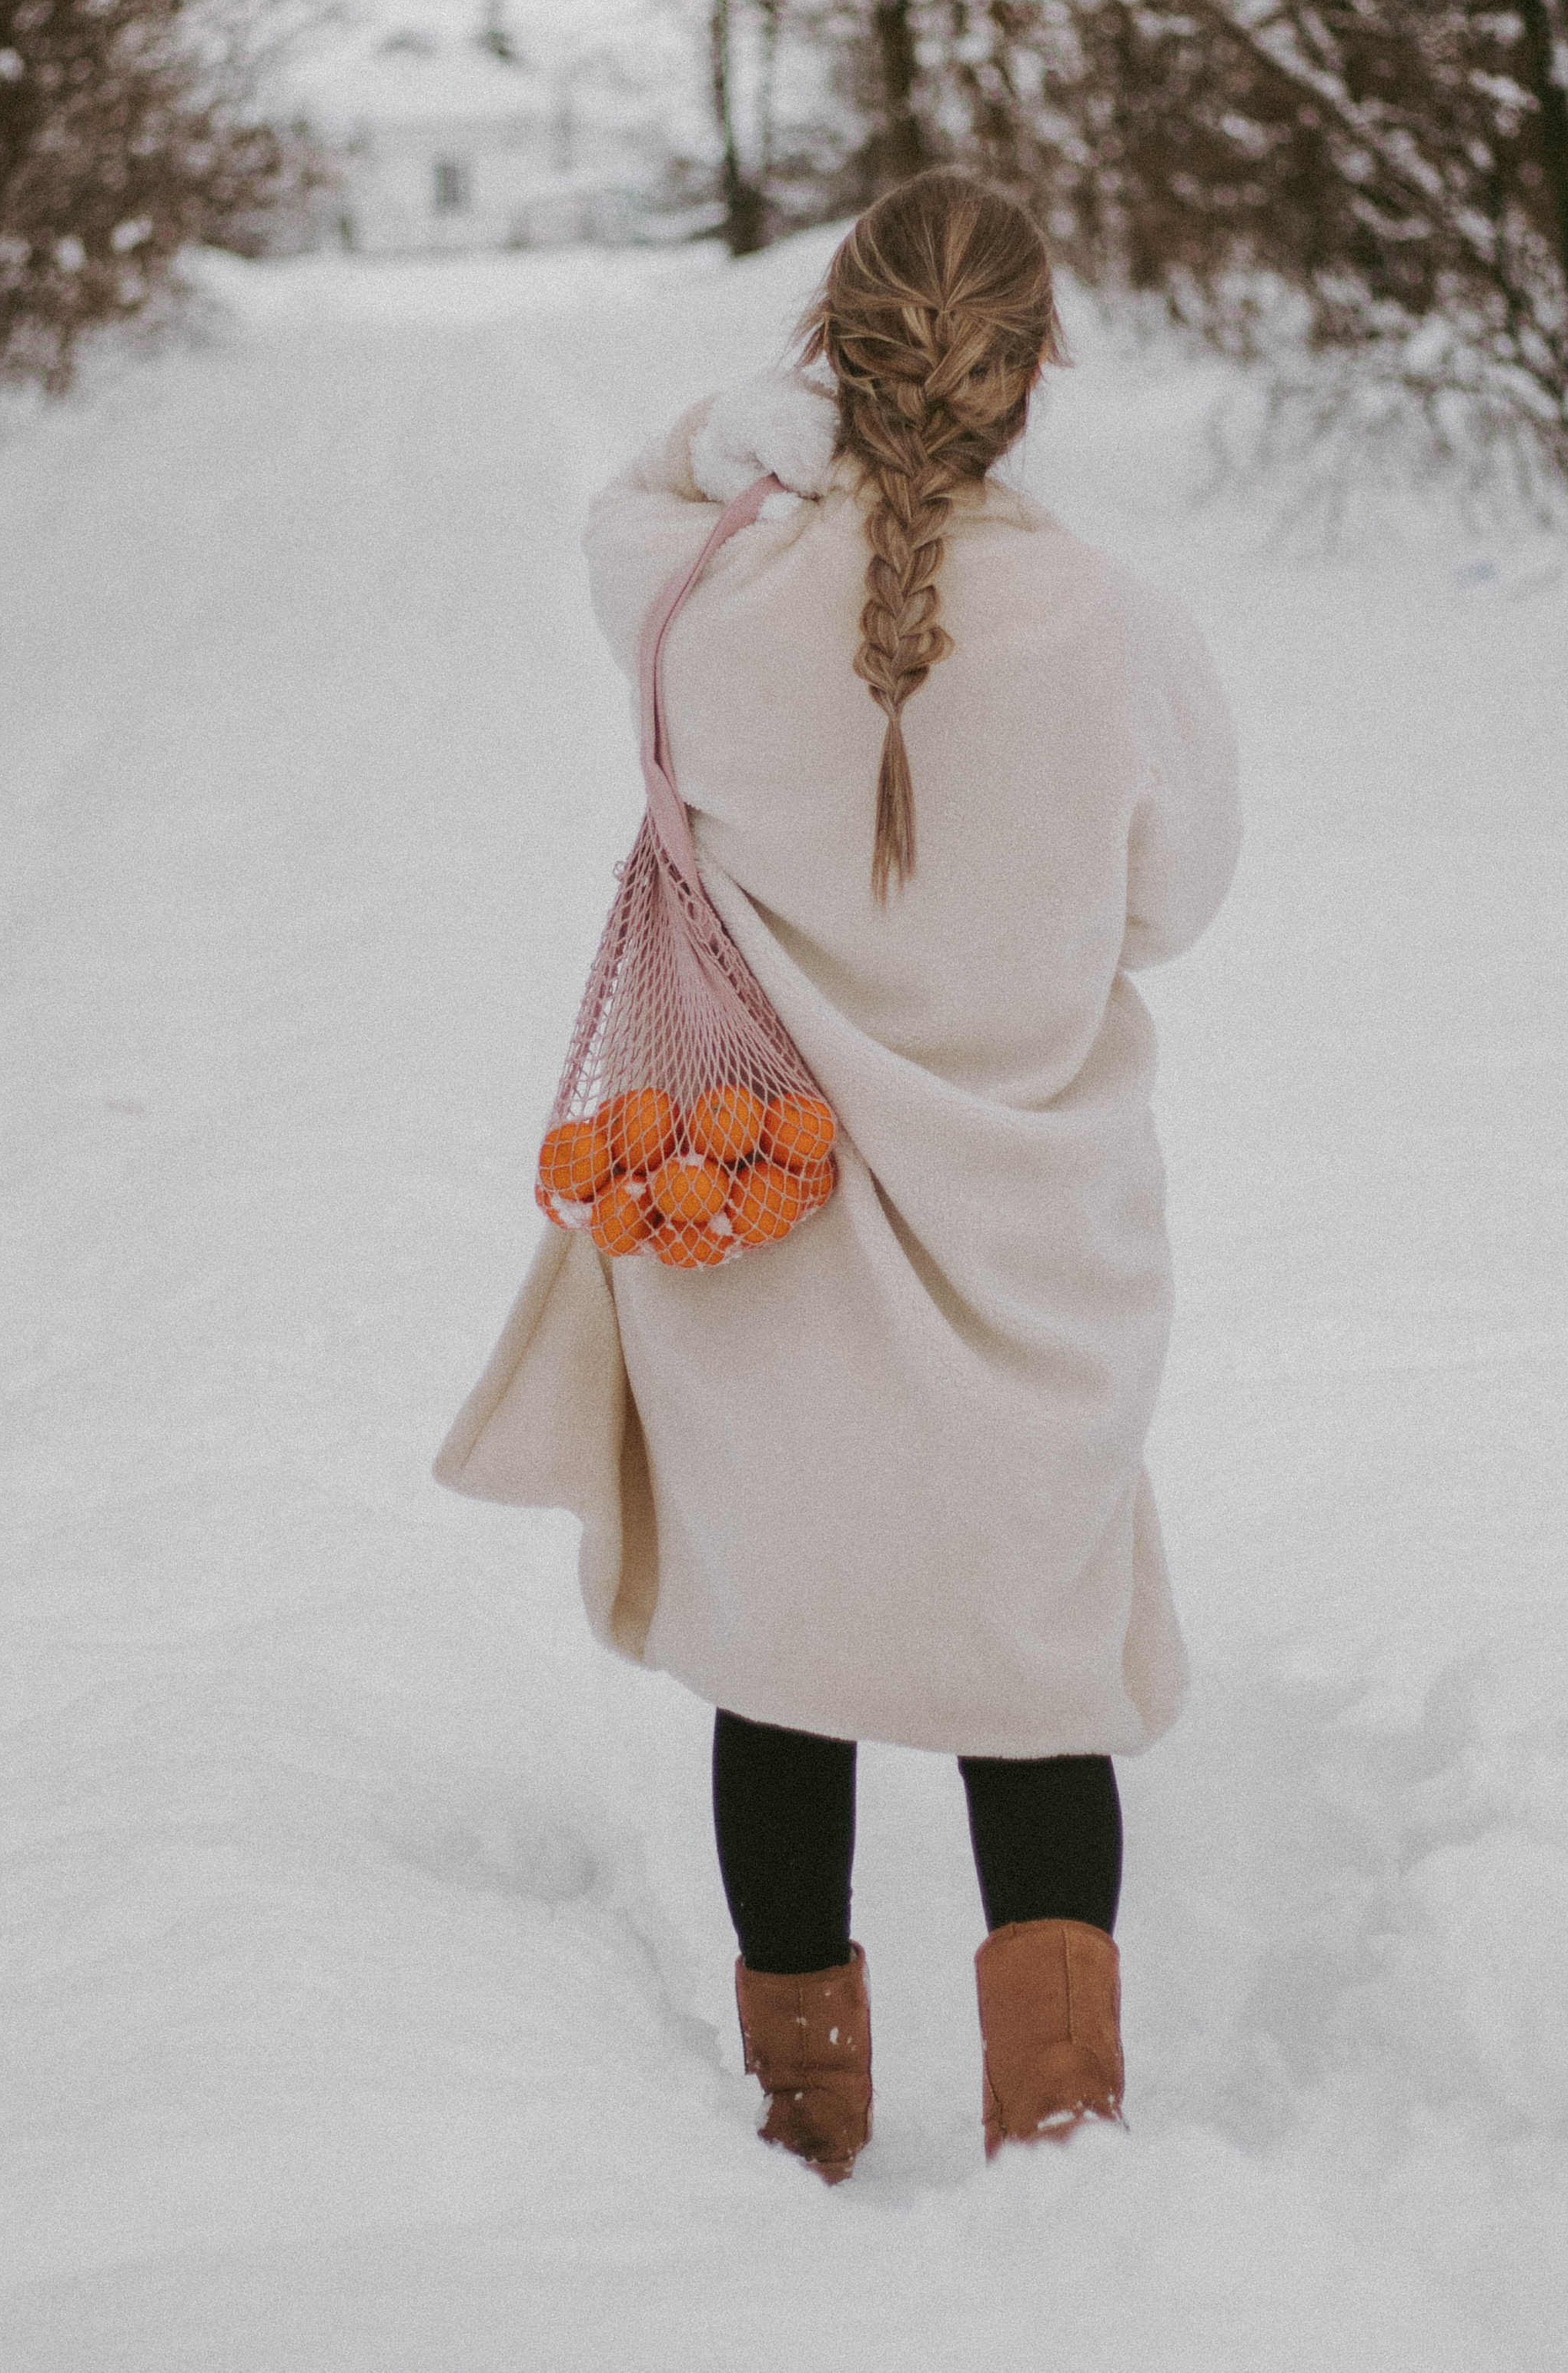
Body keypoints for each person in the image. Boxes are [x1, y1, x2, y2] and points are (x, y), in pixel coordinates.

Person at [436, 170, 1240, 2180]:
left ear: (833, 346)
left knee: (777, 1660)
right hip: (1035, 1246)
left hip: (755, 1222)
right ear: (1040, 366)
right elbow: (1173, 908)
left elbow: (618, 512)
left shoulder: (701, 593)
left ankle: (802, 2121)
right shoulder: (1124, 631)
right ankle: (1063, 2139)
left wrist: (733, 442)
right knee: (1035, 1669)